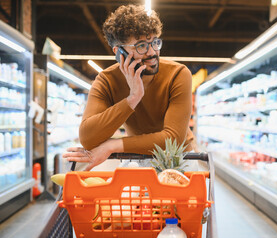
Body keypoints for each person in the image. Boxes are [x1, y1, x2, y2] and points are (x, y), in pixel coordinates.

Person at [62, 4, 194, 171]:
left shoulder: (178, 74)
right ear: (119, 52)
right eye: (141, 46)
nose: (152, 52)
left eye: (155, 42)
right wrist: (133, 98)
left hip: (180, 159)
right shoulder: (106, 80)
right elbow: (88, 138)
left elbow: (172, 139)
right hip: (136, 158)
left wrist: (113, 145)